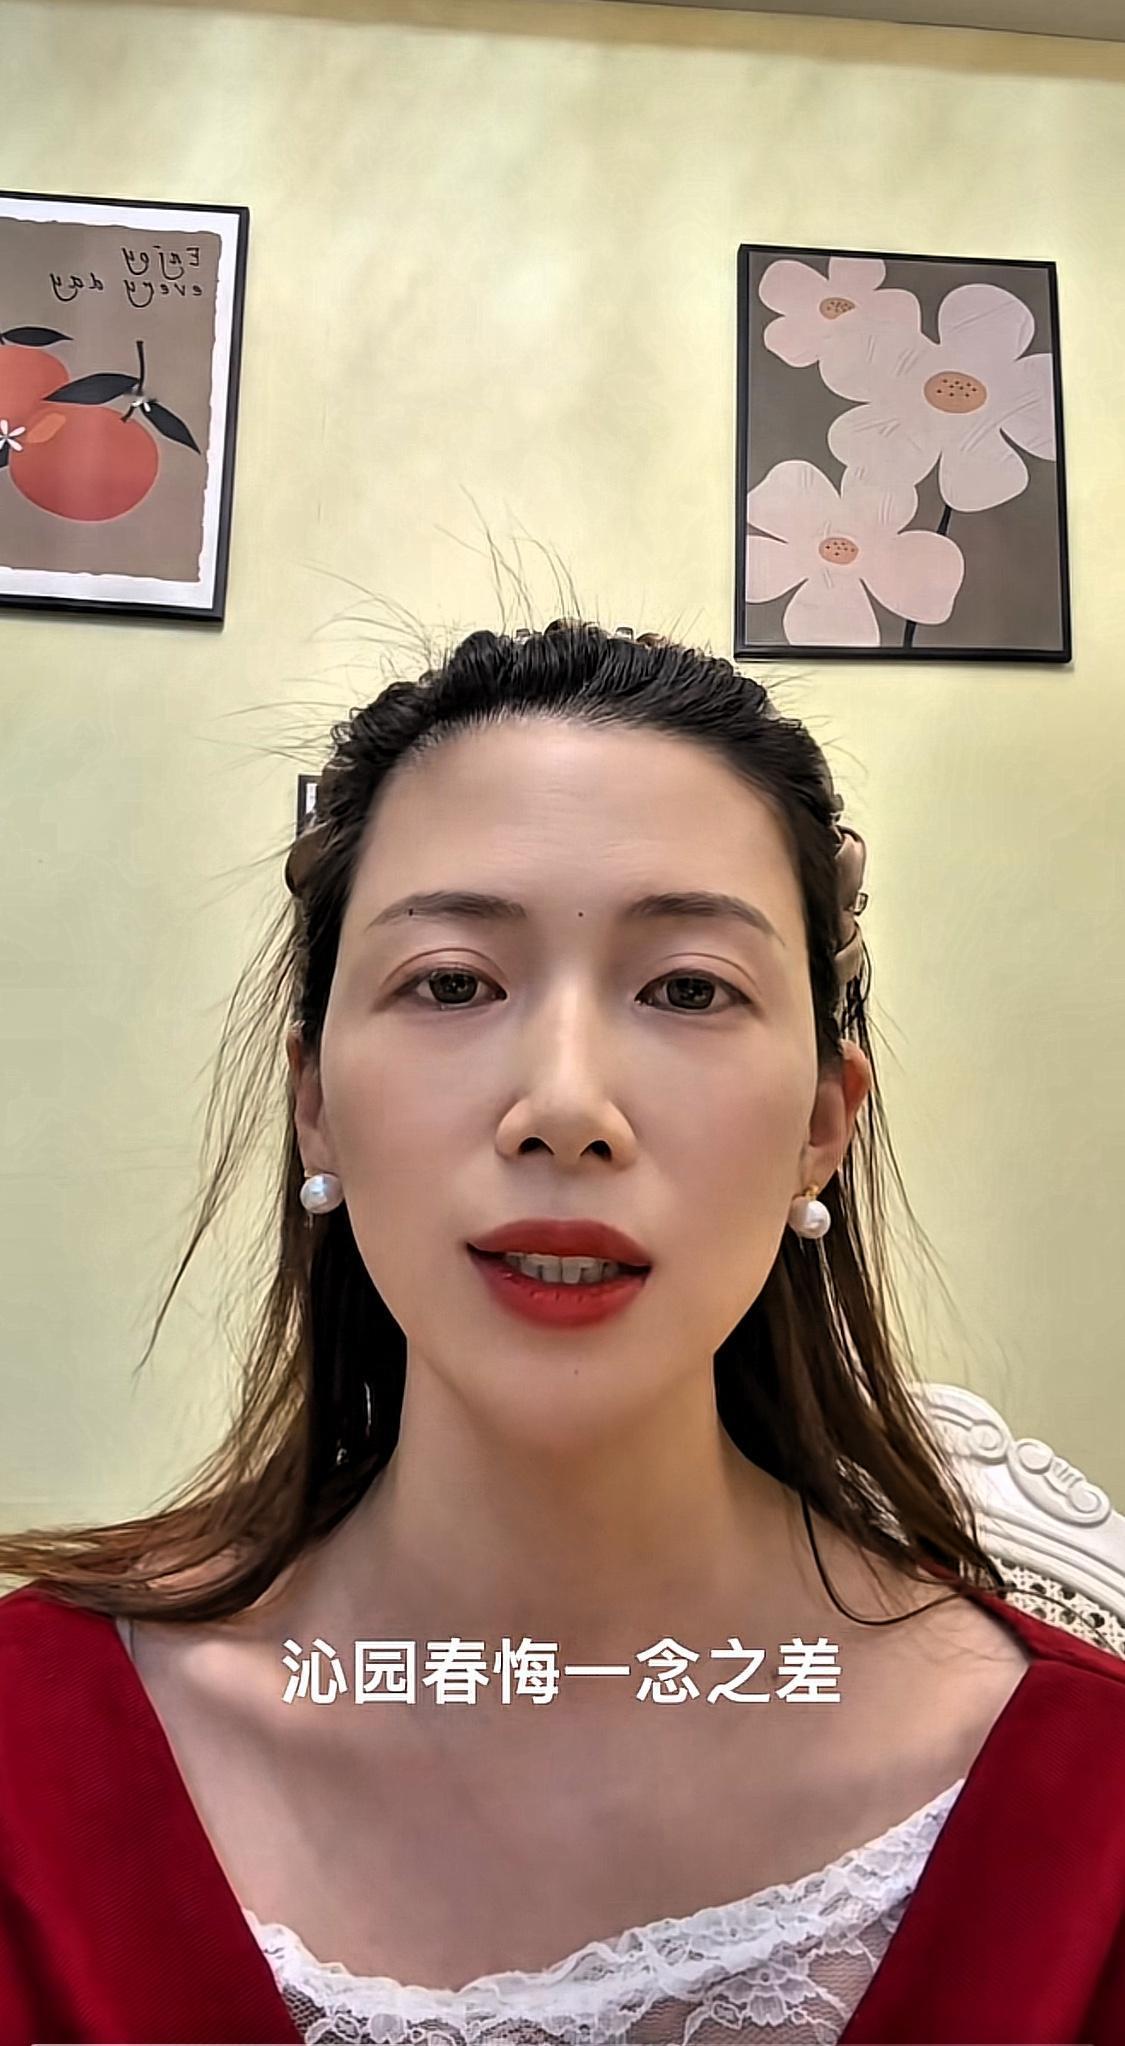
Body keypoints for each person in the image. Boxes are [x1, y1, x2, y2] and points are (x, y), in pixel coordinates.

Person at [0, 618, 1122, 2046]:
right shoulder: (31, 1757)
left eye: (689, 988)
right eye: (451, 981)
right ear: (315, 1103)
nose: (566, 1105)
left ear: (822, 1125)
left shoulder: (1088, 1817)